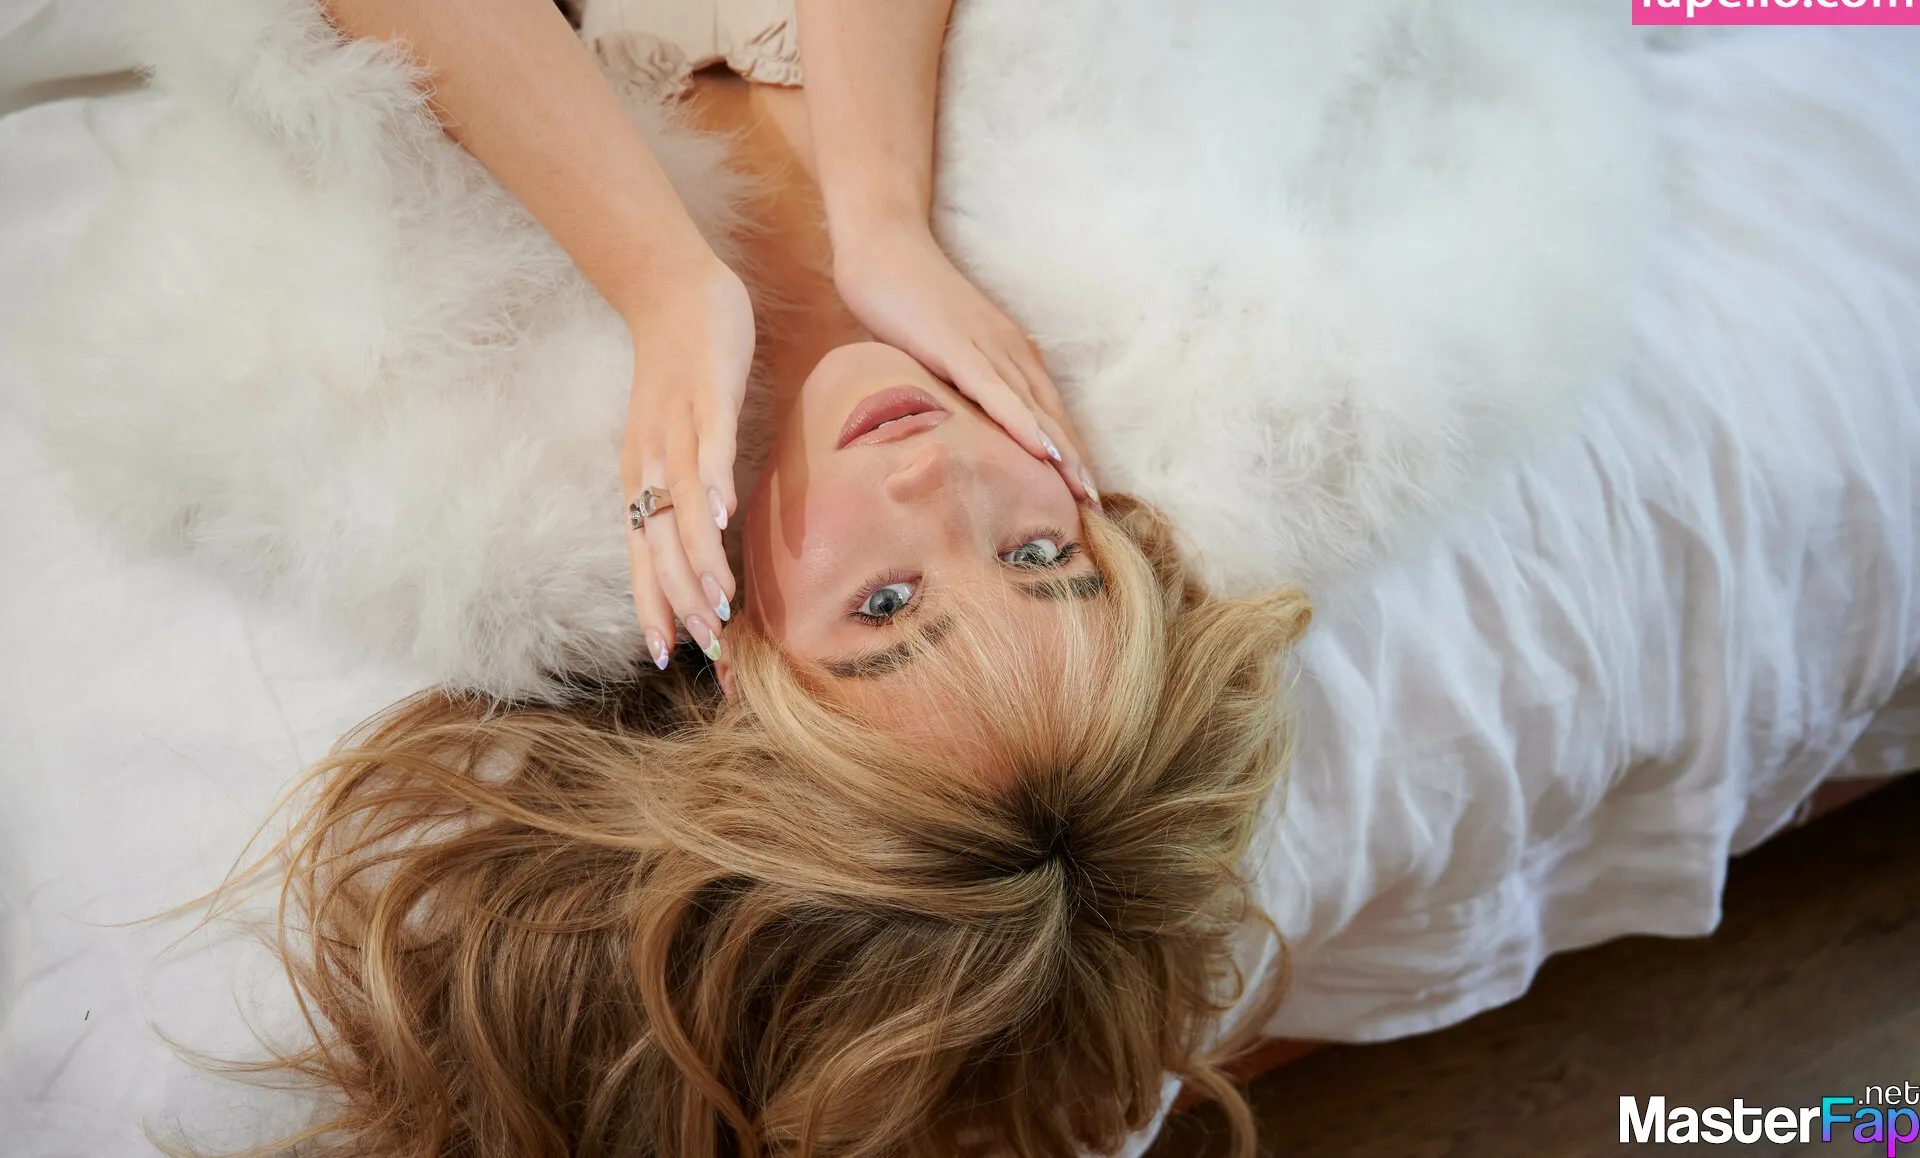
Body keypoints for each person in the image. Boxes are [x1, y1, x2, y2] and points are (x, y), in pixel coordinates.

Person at [210, 2, 1313, 1157]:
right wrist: (882, 223)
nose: (935, 478)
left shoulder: (479, 439)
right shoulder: (1119, 286)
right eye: (1040, 557)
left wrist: (661, 280)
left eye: (887, 606)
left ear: (744, 660)